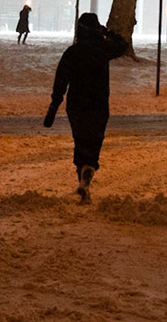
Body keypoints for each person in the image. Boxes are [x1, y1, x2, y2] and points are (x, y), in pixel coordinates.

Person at [42, 12, 129, 203]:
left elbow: (60, 82)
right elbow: (123, 46)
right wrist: (107, 32)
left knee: (80, 141)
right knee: (94, 140)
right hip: (98, 103)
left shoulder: (72, 52)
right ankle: (88, 172)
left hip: (77, 104)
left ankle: (82, 174)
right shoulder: (103, 50)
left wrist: (54, 105)